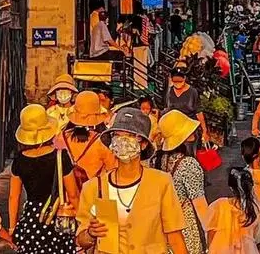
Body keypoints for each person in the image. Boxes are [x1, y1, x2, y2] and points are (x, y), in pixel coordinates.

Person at [75, 107, 187, 254]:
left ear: (143, 144)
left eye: (131, 135)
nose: (123, 141)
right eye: (117, 135)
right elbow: (80, 240)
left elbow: (174, 235)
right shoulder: (94, 187)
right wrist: (90, 233)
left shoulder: (161, 182)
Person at [9, 104, 77, 254]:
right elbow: (73, 194)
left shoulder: (19, 160)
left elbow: (14, 196)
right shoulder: (61, 156)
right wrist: (81, 220)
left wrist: (12, 227)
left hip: (32, 218)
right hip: (58, 216)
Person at [157, 111, 209, 254]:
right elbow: (200, 206)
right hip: (185, 229)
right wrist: (211, 235)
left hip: (164, 228)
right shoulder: (188, 164)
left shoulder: (159, 159)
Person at [60, 92, 115, 186]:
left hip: (66, 191)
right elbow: (112, 169)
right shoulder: (102, 141)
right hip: (94, 190)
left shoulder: (62, 137)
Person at [205, 168, 259, 254]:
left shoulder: (218, 205)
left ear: (231, 188)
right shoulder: (254, 210)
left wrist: (208, 250)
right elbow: (256, 237)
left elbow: (211, 233)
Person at [166, 63, 209, 145]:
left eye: (180, 81)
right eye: (175, 81)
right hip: (174, 129)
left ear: (184, 78)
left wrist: (205, 131)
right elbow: (166, 110)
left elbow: (199, 112)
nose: (177, 83)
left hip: (189, 128)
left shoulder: (192, 92)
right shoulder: (169, 92)